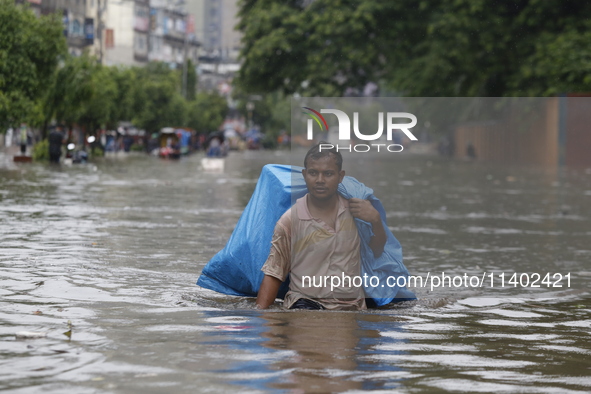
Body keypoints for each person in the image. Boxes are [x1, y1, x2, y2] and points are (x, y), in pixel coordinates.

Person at [256, 143, 387, 310]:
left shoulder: (358, 213)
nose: (319, 180)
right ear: (304, 175)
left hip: (352, 306)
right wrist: (260, 320)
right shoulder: (290, 220)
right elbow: (274, 273)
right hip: (305, 304)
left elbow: (376, 252)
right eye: (313, 173)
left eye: (328, 174)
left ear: (340, 176)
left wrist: (376, 220)